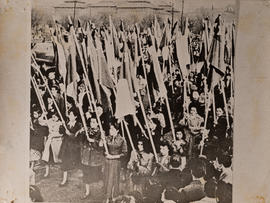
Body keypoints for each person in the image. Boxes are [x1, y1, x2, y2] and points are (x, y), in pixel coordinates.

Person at [102, 122, 128, 202]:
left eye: (113, 129)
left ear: (117, 130)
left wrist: (112, 156)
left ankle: (113, 196)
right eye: (110, 129)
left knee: (113, 179)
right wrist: (105, 151)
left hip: (116, 162)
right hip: (107, 162)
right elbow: (103, 150)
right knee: (106, 179)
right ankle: (107, 197)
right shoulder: (107, 138)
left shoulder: (122, 140)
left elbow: (125, 153)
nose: (111, 131)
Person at [80, 114, 104, 199]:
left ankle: (103, 190)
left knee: (97, 175)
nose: (92, 123)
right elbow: (82, 142)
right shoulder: (87, 131)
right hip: (87, 157)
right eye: (91, 122)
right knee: (86, 175)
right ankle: (87, 191)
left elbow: (102, 146)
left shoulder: (101, 133)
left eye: (94, 122)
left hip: (95, 158)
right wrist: (83, 134)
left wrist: (93, 141)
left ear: (98, 123)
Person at [58, 110, 82, 186]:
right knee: (65, 162)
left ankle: (80, 181)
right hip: (65, 146)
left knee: (76, 163)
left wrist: (70, 134)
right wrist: (62, 126)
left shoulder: (79, 125)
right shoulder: (66, 123)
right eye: (69, 114)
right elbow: (61, 132)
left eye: (72, 115)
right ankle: (64, 180)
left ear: (75, 116)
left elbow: (78, 137)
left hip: (74, 147)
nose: (70, 116)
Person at [42, 113, 63, 178]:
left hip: (56, 142)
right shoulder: (50, 121)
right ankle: (47, 172)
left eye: (55, 117)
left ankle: (62, 173)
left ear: (58, 117)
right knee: (47, 158)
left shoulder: (61, 123)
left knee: (58, 159)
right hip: (49, 142)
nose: (53, 118)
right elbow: (41, 122)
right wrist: (43, 115)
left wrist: (54, 135)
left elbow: (62, 134)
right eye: (52, 117)